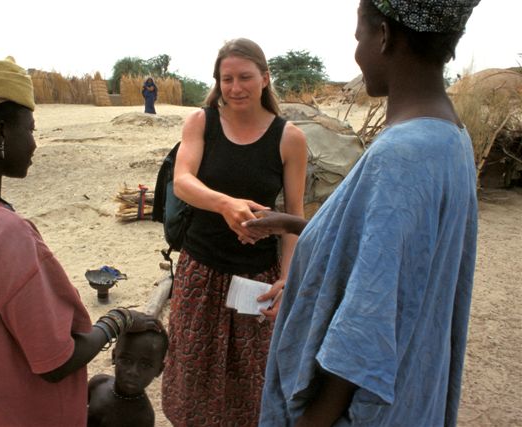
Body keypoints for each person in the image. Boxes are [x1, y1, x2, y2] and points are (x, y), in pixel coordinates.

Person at [253, 1, 481, 426]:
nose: (357, 52)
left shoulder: (401, 156)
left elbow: (362, 335)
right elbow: (391, 254)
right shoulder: (450, 136)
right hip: (413, 399)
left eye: (359, 36)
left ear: (385, 36)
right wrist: (294, 224)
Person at [0, 59, 161, 426]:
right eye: (30, 129)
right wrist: (118, 319)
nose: (35, 143)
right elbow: (56, 362)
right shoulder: (5, 234)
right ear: (0, 133)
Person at [161, 38, 308, 426]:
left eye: (245, 77)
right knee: (193, 366)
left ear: (265, 78)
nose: (235, 87)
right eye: (227, 79)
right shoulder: (201, 123)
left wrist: (287, 278)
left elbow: (294, 215)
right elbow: (182, 181)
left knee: (250, 376)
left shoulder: (289, 137)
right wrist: (225, 204)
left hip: (256, 276)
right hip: (200, 270)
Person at [87, 323, 169, 427]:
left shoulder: (143, 418)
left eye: (145, 365)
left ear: (159, 370)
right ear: (114, 357)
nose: (133, 372)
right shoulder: (98, 384)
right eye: (126, 360)